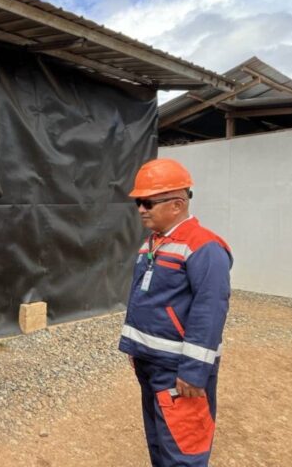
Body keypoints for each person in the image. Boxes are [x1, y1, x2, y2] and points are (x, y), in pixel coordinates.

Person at [118, 158, 233, 467]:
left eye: (147, 202)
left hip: (178, 370)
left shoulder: (204, 247)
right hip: (152, 364)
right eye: (138, 203)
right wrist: (136, 348)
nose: (141, 209)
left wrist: (194, 371)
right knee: (159, 442)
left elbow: (210, 312)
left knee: (183, 452)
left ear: (178, 204)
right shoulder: (153, 244)